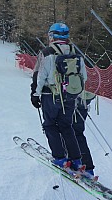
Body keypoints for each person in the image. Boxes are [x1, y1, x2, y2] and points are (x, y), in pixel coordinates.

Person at [30, 22, 86, 172]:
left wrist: (35, 94)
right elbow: (83, 77)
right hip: (70, 96)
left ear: (52, 35)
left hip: (51, 95)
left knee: (50, 125)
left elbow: (40, 77)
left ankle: (60, 158)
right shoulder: (76, 52)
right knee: (66, 126)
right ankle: (76, 160)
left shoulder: (47, 52)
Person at [73, 96, 95, 176]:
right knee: (77, 133)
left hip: (75, 100)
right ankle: (87, 167)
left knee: (71, 131)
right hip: (84, 100)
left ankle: (77, 163)